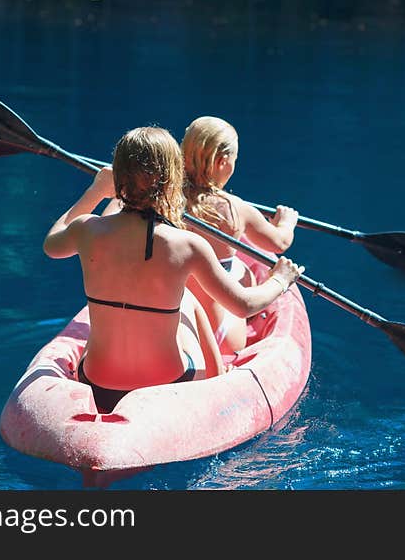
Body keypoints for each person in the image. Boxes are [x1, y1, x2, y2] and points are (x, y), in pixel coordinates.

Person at [42, 126, 303, 413]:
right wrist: (280, 280)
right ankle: (218, 382)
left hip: (98, 385)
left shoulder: (87, 230)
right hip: (170, 384)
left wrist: (94, 191)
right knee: (188, 299)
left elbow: (51, 245)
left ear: (118, 177)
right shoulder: (188, 246)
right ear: (172, 178)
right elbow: (243, 305)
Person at [180, 115, 299, 353]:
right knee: (243, 273)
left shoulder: (165, 200)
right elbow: (280, 243)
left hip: (176, 326)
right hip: (220, 335)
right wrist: (287, 221)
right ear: (224, 161)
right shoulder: (236, 209)